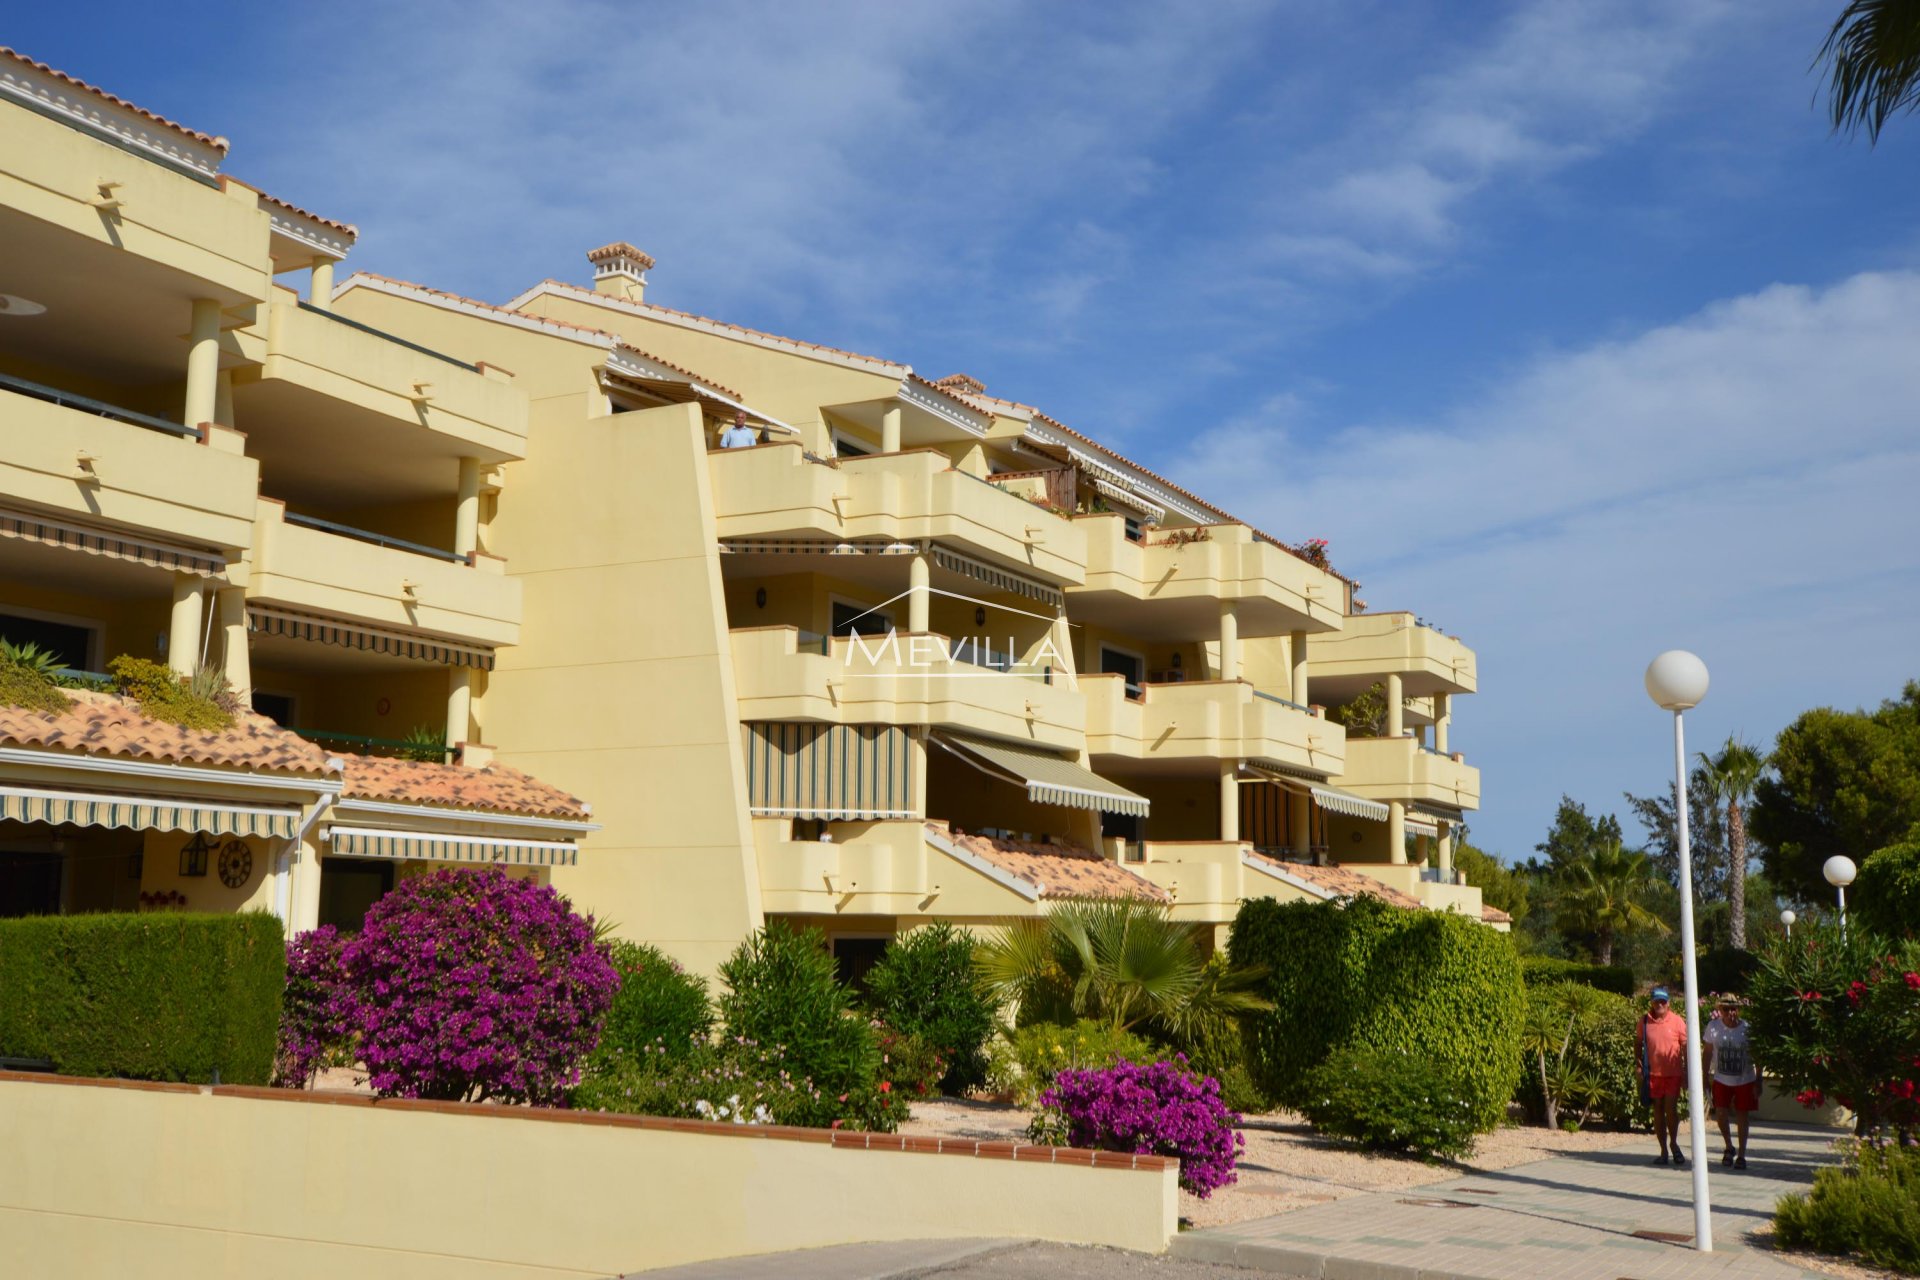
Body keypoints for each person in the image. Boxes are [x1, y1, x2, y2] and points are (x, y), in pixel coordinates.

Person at [1703, 996, 1761, 1169]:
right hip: (1722, 1079)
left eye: (1733, 1008)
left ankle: (1742, 1154)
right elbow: (1707, 1053)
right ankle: (1729, 1146)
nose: (1730, 1013)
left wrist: (1759, 1079)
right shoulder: (1713, 1028)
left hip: (1745, 1079)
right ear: (1720, 1010)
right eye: (1726, 1009)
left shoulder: (1747, 1029)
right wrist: (1705, 1077)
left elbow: (1758, 1054)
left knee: (1742, 1115)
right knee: (1721, 1114)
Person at [1638, 987, 1689, 1166]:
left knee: (1671, 1110)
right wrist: (1638, 1065)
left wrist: (1687, 1072)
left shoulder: (1677, 1021)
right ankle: (1663, 1150)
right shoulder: (1644, 1021)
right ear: (1652, 1002)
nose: (1660, 1005)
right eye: (1657, 1001)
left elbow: (1685, 1047)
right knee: (1658, 1111)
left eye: (1663, 1002)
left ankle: (1674, 1144)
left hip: (1673, 1074)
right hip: (1653, 1074)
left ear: (1668, 1003)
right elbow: (1638, 1042)